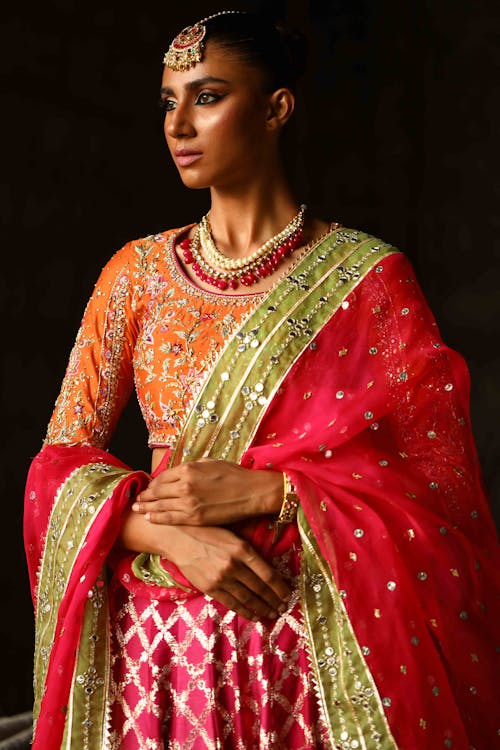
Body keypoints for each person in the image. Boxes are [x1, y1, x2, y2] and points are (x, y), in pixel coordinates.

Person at [24, 10, 499, 750]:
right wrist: (176, 540)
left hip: (307, 664)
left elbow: (441, 491)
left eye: (207, 96)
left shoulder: (368, 281)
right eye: (167, 101)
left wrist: (275, 492)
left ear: (277, 108)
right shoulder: (135, 276)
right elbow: (56, 470)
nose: (178, 123)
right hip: (154, 663)